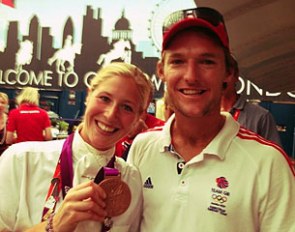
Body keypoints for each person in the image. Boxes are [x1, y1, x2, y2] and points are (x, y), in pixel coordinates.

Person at [127, 7, 295, 232]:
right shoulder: (142, 147)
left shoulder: (269, 163)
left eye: (206, 61)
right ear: (161, 70)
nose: (191, 76)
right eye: (178, 61)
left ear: (229, 72)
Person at [0, 62, 153, 231]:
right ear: (89, 95)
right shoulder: (21, 160)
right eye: (104, 98)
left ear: (139, 117)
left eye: (127, 107)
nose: (110, 115)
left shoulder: (131, 180)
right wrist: (54, 225)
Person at [221, 56, 282, 146]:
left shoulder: (261, 117)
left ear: (236, 76)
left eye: (227, 74)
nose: (222, 80)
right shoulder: (201, 114)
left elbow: (276, 157)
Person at [115, 85, 165, 160]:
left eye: (141, 94)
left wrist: (147, 137)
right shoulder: (111, 122)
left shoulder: (162, 129)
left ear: (149, 101)